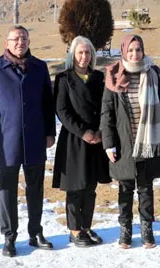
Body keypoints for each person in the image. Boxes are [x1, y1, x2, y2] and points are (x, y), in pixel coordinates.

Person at [0, 25, 56, 257]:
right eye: (15, 39)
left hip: (34, 137)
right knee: (7, 189)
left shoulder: (40, 68)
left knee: (35, 188)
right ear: (7, 43)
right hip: (7, 140)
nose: (20, 42)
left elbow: (47, 103)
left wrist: (49, 133)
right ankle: (9, 237)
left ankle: (35, 232)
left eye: (24, 38)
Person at [100, 34, 160, 249]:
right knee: (125, 187)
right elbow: (107, 113)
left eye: (138, 49)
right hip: (124, 142)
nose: (134, 54)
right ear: (123, 52)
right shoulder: (113, 77)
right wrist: (108, 143)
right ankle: (125, 229)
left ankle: (147, 228)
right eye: (130, 50)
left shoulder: (152, 74)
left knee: (146, 188)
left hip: (148, 140)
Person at [52, 36, 111, 248]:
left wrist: (100, 131)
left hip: (96, 139)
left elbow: (105, 106)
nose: (84, 57)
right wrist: (83, 132)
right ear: (73, 55)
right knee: (75, 187)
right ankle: (75, 230)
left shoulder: (97, 78)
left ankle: (86, 226)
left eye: (87, 53)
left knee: (90, 186)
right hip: (75, 140)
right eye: (80, 52)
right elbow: (62, 111)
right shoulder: (64, 79)